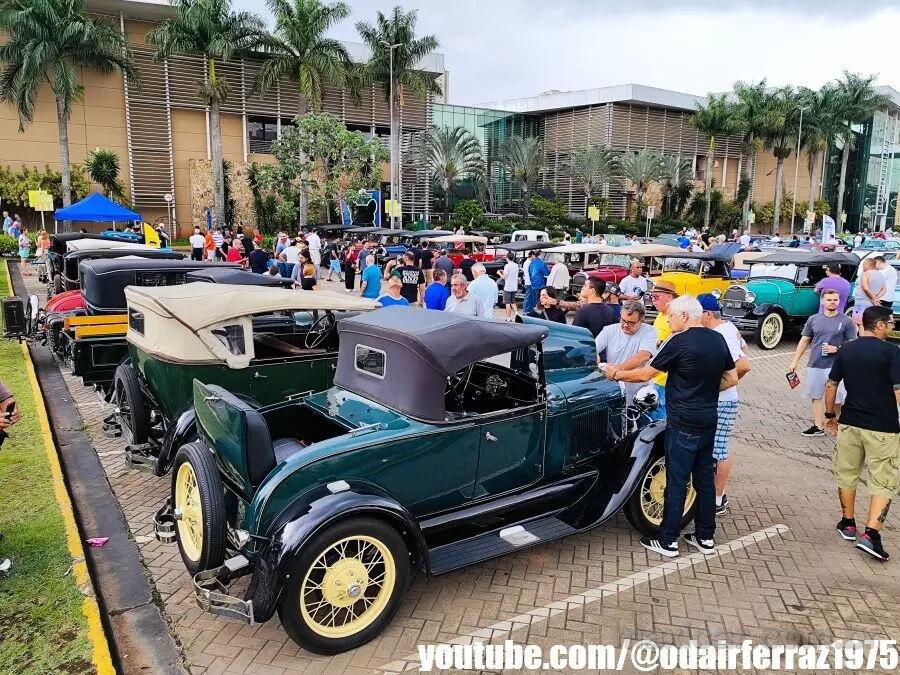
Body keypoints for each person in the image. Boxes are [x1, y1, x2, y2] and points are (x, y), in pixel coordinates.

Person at [604, 295, 738, 557]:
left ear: (685, 316)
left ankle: (667, 540)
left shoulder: (678, 340)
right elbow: (731, 378)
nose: (667, 319)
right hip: (708, 418)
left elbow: (645, 374)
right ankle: (705, 537)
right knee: (703, 478)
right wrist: (705, 390)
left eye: (672, 315)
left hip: (683, 419)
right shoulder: (717, 338)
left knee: (676, 478)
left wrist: (615, 373)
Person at [825, 305, 900, 561]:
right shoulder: (892, 351)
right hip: (883, 428)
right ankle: (871, 535)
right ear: (879, 325)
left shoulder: (847, 350)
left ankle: (847, 523)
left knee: (846, 474)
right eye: (890, 323)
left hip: (850, 423)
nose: (892, 327)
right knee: (883, 480)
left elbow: (832, 385)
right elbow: (899, 391)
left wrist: (829, 416)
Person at [697, 294, 752, 515]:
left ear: (708, 314)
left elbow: (744, 364)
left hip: (723, 400)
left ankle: (718, 498)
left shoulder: (724, 333)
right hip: (719, 399)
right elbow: (746, 348)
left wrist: (719, 386)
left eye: (697, 312)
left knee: (719, 449)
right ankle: (715, 493)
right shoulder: (725, 329)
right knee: (714, 447)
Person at [788, 289, 857, 436]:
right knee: (816, 395)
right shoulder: (813, 319)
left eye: (835, 300)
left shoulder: (846, 321)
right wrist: (794, 361)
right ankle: (818, 427)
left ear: (839, 301)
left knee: (838, 397)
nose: (832, 302)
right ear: (822, 301)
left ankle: (840, 426)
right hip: (815, 364)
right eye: (829, 300)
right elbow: (804, 340)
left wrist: (837, 349)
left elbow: (853, 345)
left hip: (837, 366)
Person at [594, 300, 658, 403]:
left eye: (631, 322)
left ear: (641, 320)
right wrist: (595, 356)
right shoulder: (609, 330)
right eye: (623, 320)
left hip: (638, 391)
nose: (625, 325)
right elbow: (593, 348)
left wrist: (617, 370)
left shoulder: (649, 331)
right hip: (615, 389)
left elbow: (644, 355)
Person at [525, 250, 549, 315]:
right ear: (540, 255)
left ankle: (533, 313)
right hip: (540, 284)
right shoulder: (541, 263)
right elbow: (546, 273)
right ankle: (539, 313)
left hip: (533, 284)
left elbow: (529, 273)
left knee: (534, 299)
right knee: (539, 299)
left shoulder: (531, 263)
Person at [498, 252, 520, 320]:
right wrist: (504, 271)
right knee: (513, 302)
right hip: (514, 286)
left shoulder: (507, 266)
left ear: (507, 258)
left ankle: (508, 318)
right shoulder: (516, 265)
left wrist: (499, 273)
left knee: (507, 303)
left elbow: (504, 277)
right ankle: (517, 314)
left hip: (508, 287)